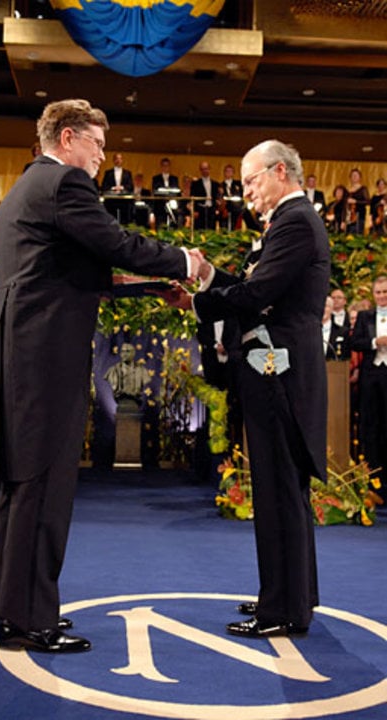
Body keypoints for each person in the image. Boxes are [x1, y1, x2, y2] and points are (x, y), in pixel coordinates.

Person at [0, 98, 202, 654]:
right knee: (46, 487)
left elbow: (78, 275)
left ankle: (11, 611)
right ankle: (32, 622)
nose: (103, 156)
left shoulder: (23, 190)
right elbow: (116, 243)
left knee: (22, 486)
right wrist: (183, 260)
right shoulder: (66, 184)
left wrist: (152, 288)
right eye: (98, 143)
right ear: (68, 137)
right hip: (48, 360)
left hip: (22, 356)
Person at [163, 139, 330, 638]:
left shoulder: (295, 221)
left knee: (279, 488)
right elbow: (253, 285)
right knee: (283, 488)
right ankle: (291, 594)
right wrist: (209, 277)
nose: (247, 192)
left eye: (251, 181)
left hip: (280, 373)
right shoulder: (288, 222)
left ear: (280, 171)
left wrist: (196, 304)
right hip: (275, 371)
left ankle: (283, 610)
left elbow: (259, 292)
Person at [350, 275, 387, 503]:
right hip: (371, 377)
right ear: (373, 295)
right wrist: (375, 343)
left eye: (385, 292)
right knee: (371, 427)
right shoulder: (365, 316)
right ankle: (374, 480)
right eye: (378, 292)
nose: (382, 296)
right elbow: (355, 342)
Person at [101, 151, 133, 224]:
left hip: (124, 200)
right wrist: (113, 188)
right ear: (113, 160)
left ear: (122, 160)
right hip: (111, 200)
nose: (118, 161)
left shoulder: (127, 173)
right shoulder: (108, 173)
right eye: (116, 159)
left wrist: (122, 187)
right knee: (111, 219)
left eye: (120, 159)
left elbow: (130, 186)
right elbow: (104, 186)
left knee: (124, 219)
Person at [190, 161, 220, 230]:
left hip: (211, 210)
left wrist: (216, 208)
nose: (205, 171)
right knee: (200, 229)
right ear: (200, 171)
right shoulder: (195, 184)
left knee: (211, 229)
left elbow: (217, 197)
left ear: (209, 169)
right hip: (200, 210)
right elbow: (193, 197)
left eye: (206, 169)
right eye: (203, 169)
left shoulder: (215, 184)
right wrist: (195, 210)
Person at [151, 157, 180, 228]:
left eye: (167, 165)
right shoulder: (156, 178)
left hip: (172, 207)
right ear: (161, 167)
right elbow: (155, 191)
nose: (165, 167)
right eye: (164, 165)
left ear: (170, 166)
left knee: (172, 226)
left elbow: (176, 191)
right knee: (160, 226)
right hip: (160, 207)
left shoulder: (174, 179)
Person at [321, 295, 350, 361]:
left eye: (326, 306)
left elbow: (346, 357)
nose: (322, 309)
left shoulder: (343, 332)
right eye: (320, 306)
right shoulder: (308, 332)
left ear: (332, 309)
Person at [346, 168, 370, 235]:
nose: (354, 177)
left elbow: (368, 201)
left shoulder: (363, 189)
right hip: (348, 216)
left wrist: (355, 201)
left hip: (359, 215)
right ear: (350, 178)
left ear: (360, 177)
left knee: (357, 234)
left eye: (356, 175)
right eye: (352, 175)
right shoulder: (347, 190)